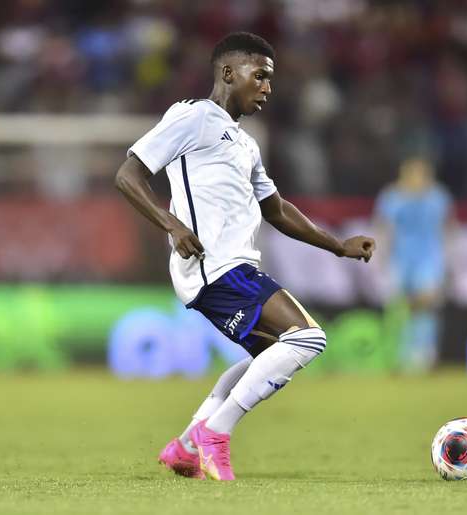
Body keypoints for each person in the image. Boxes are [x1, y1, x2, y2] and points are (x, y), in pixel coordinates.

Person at [115, 32, 375, 481]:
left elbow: (275, 209)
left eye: (270, 80)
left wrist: (338, 245)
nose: (268, 88)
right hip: (213, 265)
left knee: (272, 353)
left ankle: (187, 443)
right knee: (309, 338)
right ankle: (216, 434)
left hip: (234, 266)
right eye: (261, 76)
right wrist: (172, 226)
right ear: (228, 72)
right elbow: (128, 174)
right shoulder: (194, 118)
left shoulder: (245, 143)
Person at [374, 156, 453, 372]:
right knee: (398, 306)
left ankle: (424, 354)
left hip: (429, 257)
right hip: (400, 258)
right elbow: (384, 228)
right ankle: (398, 354)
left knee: (425, 304)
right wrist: (380, 256)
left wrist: (448, 261)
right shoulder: (391, 198)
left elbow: (447, 228)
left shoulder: (438, 197)